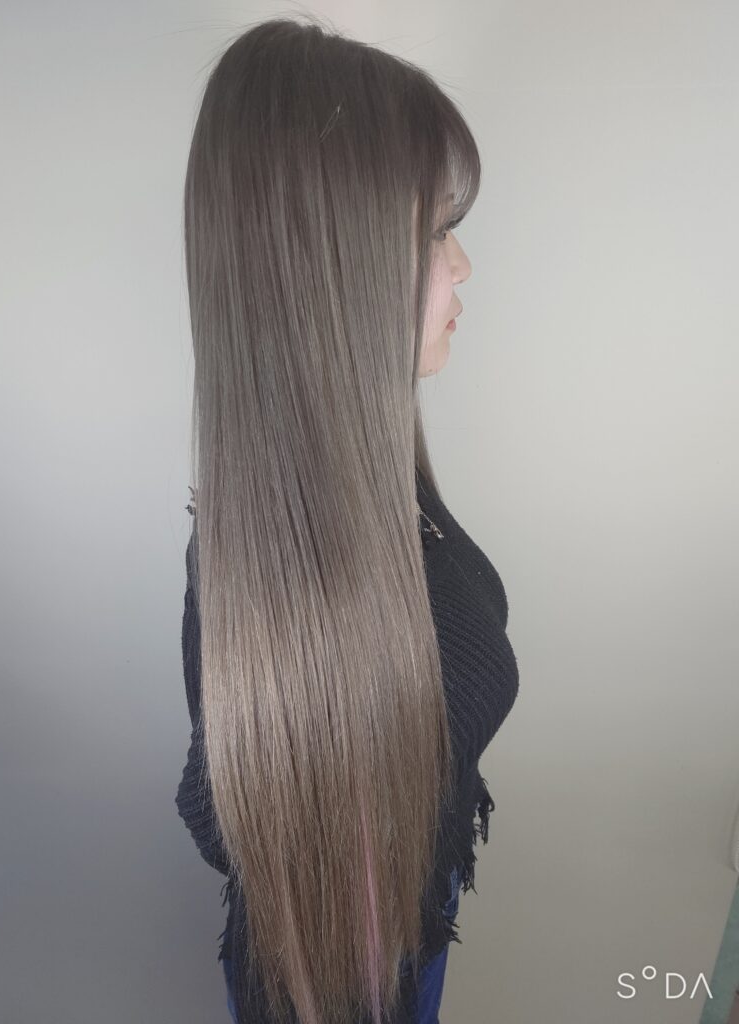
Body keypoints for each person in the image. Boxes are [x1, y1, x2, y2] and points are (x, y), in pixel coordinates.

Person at [175, 13, 519, 1024]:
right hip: (347, 980)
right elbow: (214, 806)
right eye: (436, 232)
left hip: (410, 926)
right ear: (333, 263)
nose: (463, 267)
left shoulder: (369, 480)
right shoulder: (289, 567)